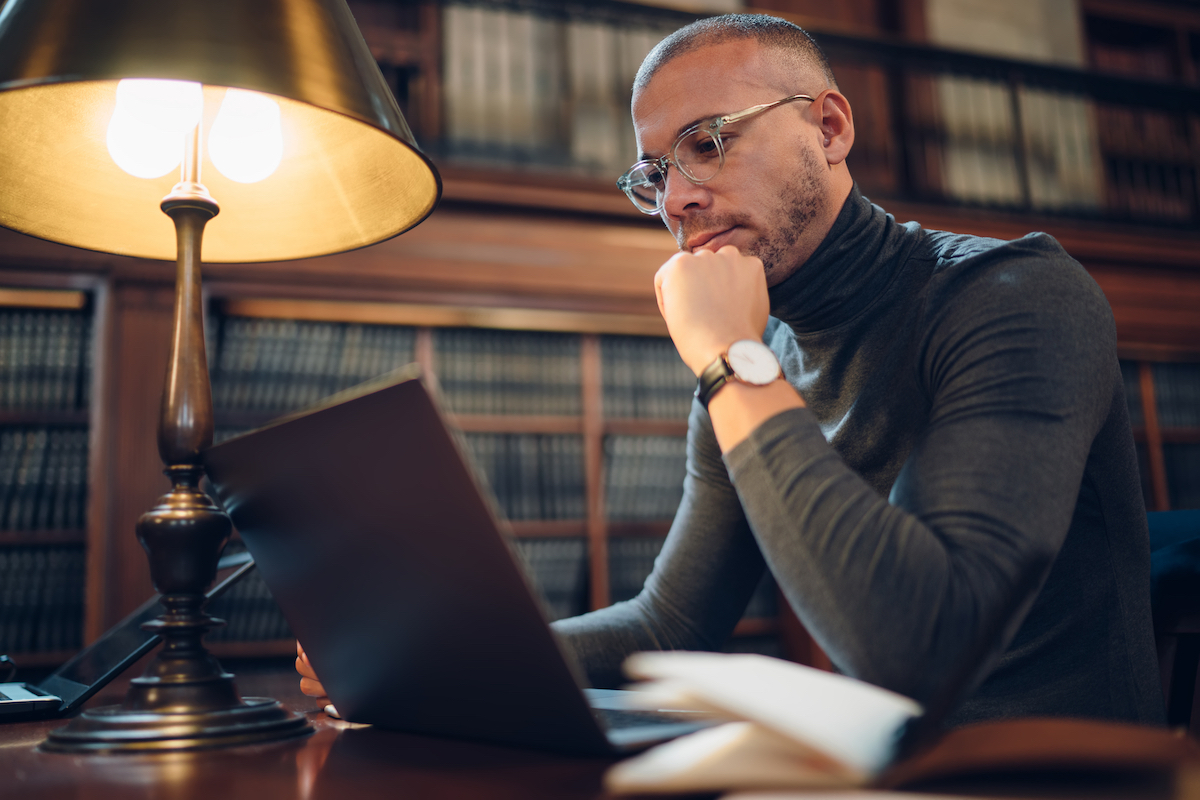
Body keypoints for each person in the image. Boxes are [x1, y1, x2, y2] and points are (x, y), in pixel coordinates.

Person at [299, 13, 1164, 726]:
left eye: (707, 143)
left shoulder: (1016, 297)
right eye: (654, 173)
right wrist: (433, 668)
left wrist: (728, 359)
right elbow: (672, 624)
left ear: (829, 128)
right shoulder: (750, 361)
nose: (675, 200)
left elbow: (919, 645)